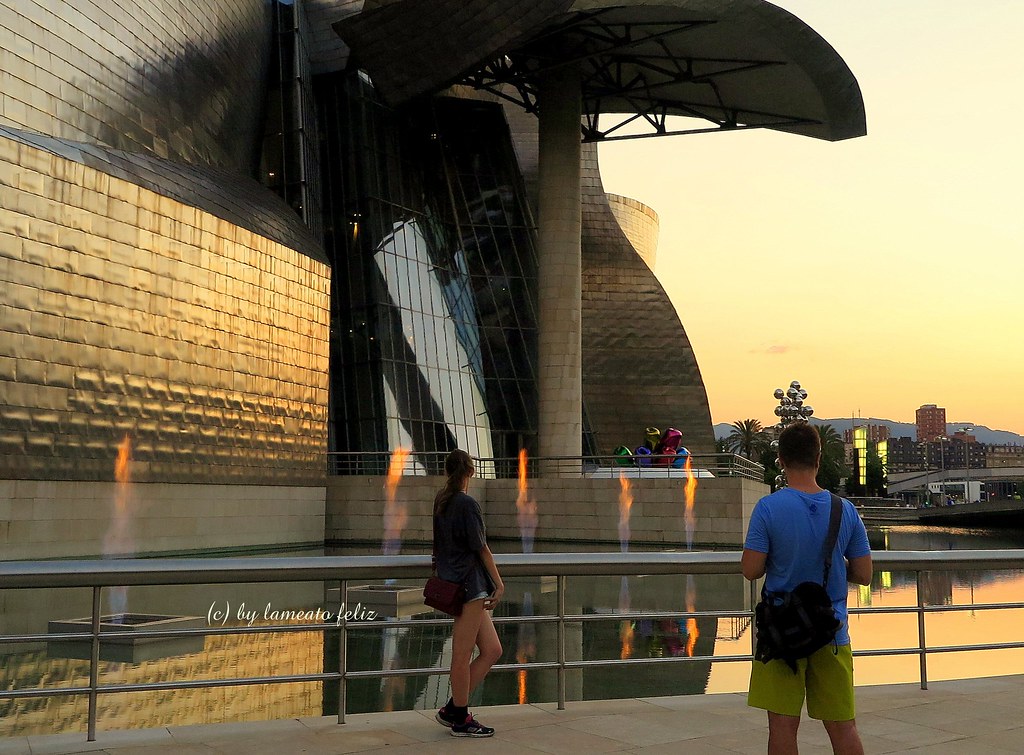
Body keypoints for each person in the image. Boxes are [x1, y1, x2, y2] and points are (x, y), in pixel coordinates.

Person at [742, 422, 873, 755]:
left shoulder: (768, 508)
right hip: (832, 631)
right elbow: (864, 574)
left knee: (783, 726)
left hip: (781, 634)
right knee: (843, 726)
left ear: (781, 460)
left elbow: (751, 570)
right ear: (818, 457)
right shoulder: (845, 510)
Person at [432, 449, 504, 737]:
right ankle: (461, 719)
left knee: (493, 650)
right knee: (462, 655)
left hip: (455, 583)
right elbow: (481, 548)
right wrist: (498, 583)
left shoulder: (442, 500)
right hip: (469, 587)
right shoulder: (466, 503)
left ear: (447, 471)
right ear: (470, 472)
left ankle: (453, 708)